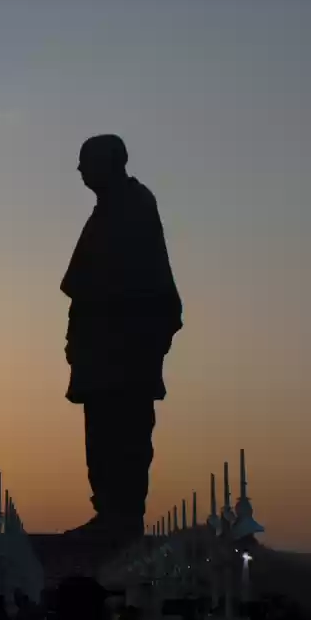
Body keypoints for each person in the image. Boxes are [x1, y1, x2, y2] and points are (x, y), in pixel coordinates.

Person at [59, 135, 183, 567]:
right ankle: (109, 513)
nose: (80, 170)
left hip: (125, 349)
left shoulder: (134, 206)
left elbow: (137, 281)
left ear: (109, 163)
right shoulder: (109, 210)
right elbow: (83, 285)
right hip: (103, 348)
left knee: (124, 435)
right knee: (101, 435)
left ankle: (123, 518)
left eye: (86, 161)